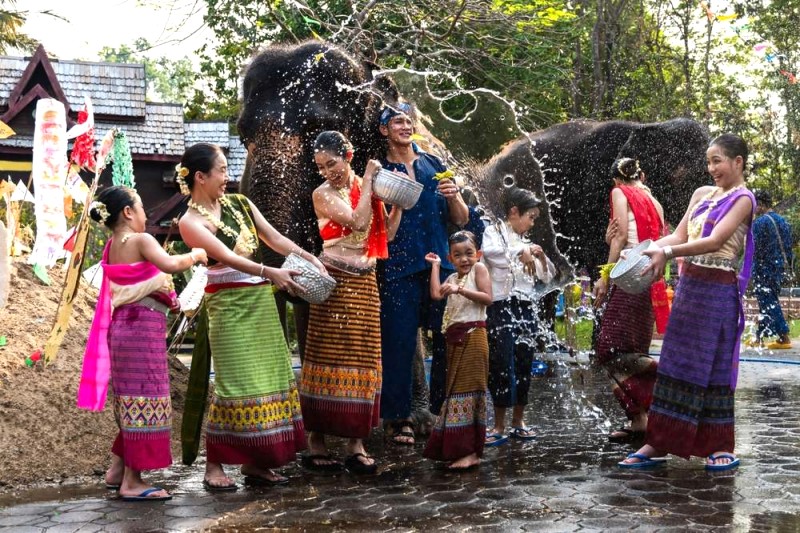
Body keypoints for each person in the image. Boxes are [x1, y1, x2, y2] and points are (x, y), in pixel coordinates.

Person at [178, 142, 322, 490]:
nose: (228, 177)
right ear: (201, 176)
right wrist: (269, 272)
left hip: (258, 304)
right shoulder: (190, 222)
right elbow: (227, 257)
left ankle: (258, 463)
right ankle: (214, 465)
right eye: (223, 170)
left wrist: (309, 256)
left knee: (269, 380)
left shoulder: (240, 204)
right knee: (232, 386)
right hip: (228, 309)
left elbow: (272, 237)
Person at [618, 133, 756, 471]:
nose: (711, 168)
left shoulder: (745, 199)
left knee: (712, 365)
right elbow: (679, 237)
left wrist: (665, 253)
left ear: (738, 162)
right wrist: (645, 250)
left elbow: (714, 241)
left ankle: (718, 444)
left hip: (717, 291)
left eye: (718, 161)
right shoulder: (701, 194)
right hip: (690, 287)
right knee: (675, 362)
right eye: (709, 161)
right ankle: (658, 441)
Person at [79, 186, 208, 501]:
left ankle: (117, 471)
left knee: (130, 402)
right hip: (139, 332)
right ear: (127, 212)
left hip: (123, 330)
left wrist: (166, 297)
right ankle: (132, 483)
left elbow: (138, 285)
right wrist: (195, 254)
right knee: (145, 403)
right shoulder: (142, 240)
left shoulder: (111, 247)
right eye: (140, 208)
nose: (144, 215)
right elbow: (170, 266)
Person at [299, 131, 401, 474]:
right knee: (328, 354)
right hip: (336, 282)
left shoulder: (365, 186)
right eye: (321, 167)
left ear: (348, 154)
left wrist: (398, 204)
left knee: (363, 356)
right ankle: (316, 439)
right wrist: (371, 179)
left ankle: (356, 442)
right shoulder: (322, 194)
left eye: (333, 163)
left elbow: (387, 230)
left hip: (366, 281)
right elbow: (357, 221)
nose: (329, 171)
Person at [378, 102, 469, 445]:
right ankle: (398, 417)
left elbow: (459, 219)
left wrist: (456, 196)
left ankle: (440, 410)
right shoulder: (381, 170)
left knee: (446, 339)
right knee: (398, 342)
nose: (405, 126)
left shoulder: (434, 165)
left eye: (408, 121)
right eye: (397, 121)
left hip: (439, 266)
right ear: (384, 130)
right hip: (399, 266)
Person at [592, 158, 668, 444]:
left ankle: (669, 379)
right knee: (631, 346)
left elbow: (622, 236)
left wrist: (605, 275)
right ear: (642, 175)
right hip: (649, 280)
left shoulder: (618, 193)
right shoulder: (655, 201)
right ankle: (639, 420)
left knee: (608, 349)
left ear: (616, 180)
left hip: (629, 276)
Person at [481, 187, 556, 445]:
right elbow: (492, 255)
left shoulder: (528, 243)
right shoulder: (494, 232)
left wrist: (541, 256)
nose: (532, 223)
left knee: (524, 361)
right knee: (501, 362)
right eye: (531, 217)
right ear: (514, 211)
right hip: (501, 305)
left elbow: (547, 276)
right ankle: (499, 424)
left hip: (525, 306)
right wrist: (517, 253)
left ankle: (519, 421)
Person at [423, 231, 492, 470]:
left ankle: (472, 451)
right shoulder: (452, 277)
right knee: (455, 392)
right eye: (458, 255)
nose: (464, 259)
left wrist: (459, 290)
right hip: (455, 340)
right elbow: (435, 294)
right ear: (450, 258)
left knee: (470, 391)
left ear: (478, 254)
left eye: (469, 254)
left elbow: (487, 298)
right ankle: (457, 448)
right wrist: (436, 266)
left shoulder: (478, 270)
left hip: (474, 337)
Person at [751, 189, 793, 349]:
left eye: (755, 205)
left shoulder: (760, 223)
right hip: (778, 268)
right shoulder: (782, 221)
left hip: (764, 268)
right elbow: (788, 247)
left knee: (767, 300)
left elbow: (753, 249)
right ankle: (760, 337)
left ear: (760, 205)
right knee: (768, 301)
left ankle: (784, 335)